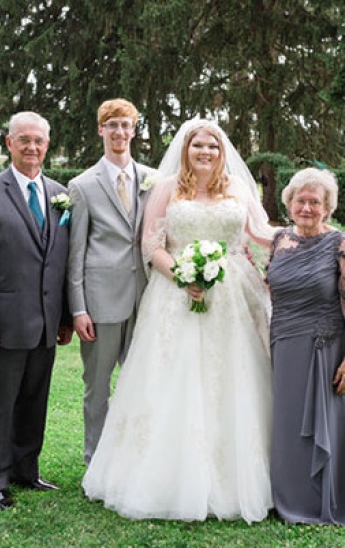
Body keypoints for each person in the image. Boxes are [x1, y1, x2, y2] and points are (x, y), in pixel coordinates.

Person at [82, 119, 275, 523]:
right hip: (175, 298)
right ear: (185, 149)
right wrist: (183, 276)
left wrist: (310, 237)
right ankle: (161, 475)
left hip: (233, 300)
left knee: (233, 381)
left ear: (223, 152)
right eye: (197, 145)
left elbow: (261, 233)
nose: (205, 152)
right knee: (171, 381)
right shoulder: (168, 188)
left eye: (213, 146)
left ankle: (238, 477)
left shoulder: (239, 190)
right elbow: (150, 243)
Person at [0, 111, 73, 511]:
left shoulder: (61, 195)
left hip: (45, 326)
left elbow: (62, 263)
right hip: (3, 326)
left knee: (34, 400)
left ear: (47, 144)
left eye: (39, 140)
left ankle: (26, 469)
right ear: (9, 144)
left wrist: (63, 318)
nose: (32, 147)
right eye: (23, 139)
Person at [267, 167, 345, 526]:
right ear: (289, 203)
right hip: (285, 344)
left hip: (326, 347)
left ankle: (330, 501)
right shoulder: (279, 240)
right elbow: (274, 284)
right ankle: (289, 497)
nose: (307, 207)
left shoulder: (341, 243)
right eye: (300, 200)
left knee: (329, 427)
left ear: (327, 207)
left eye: (315, 202)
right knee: (288, 423)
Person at [66, 99, 156, 466]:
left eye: (126, 125)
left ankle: (136, 461)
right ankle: (97, 462)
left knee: (144, 386)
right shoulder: (82, 185)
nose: (120, 132)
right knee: (98, 389)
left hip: (147, 300)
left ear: (134, 131)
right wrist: (78, 308)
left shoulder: (154, 180)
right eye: (112, 125)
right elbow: (76, 254)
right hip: (100, 304)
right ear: (101, 130)